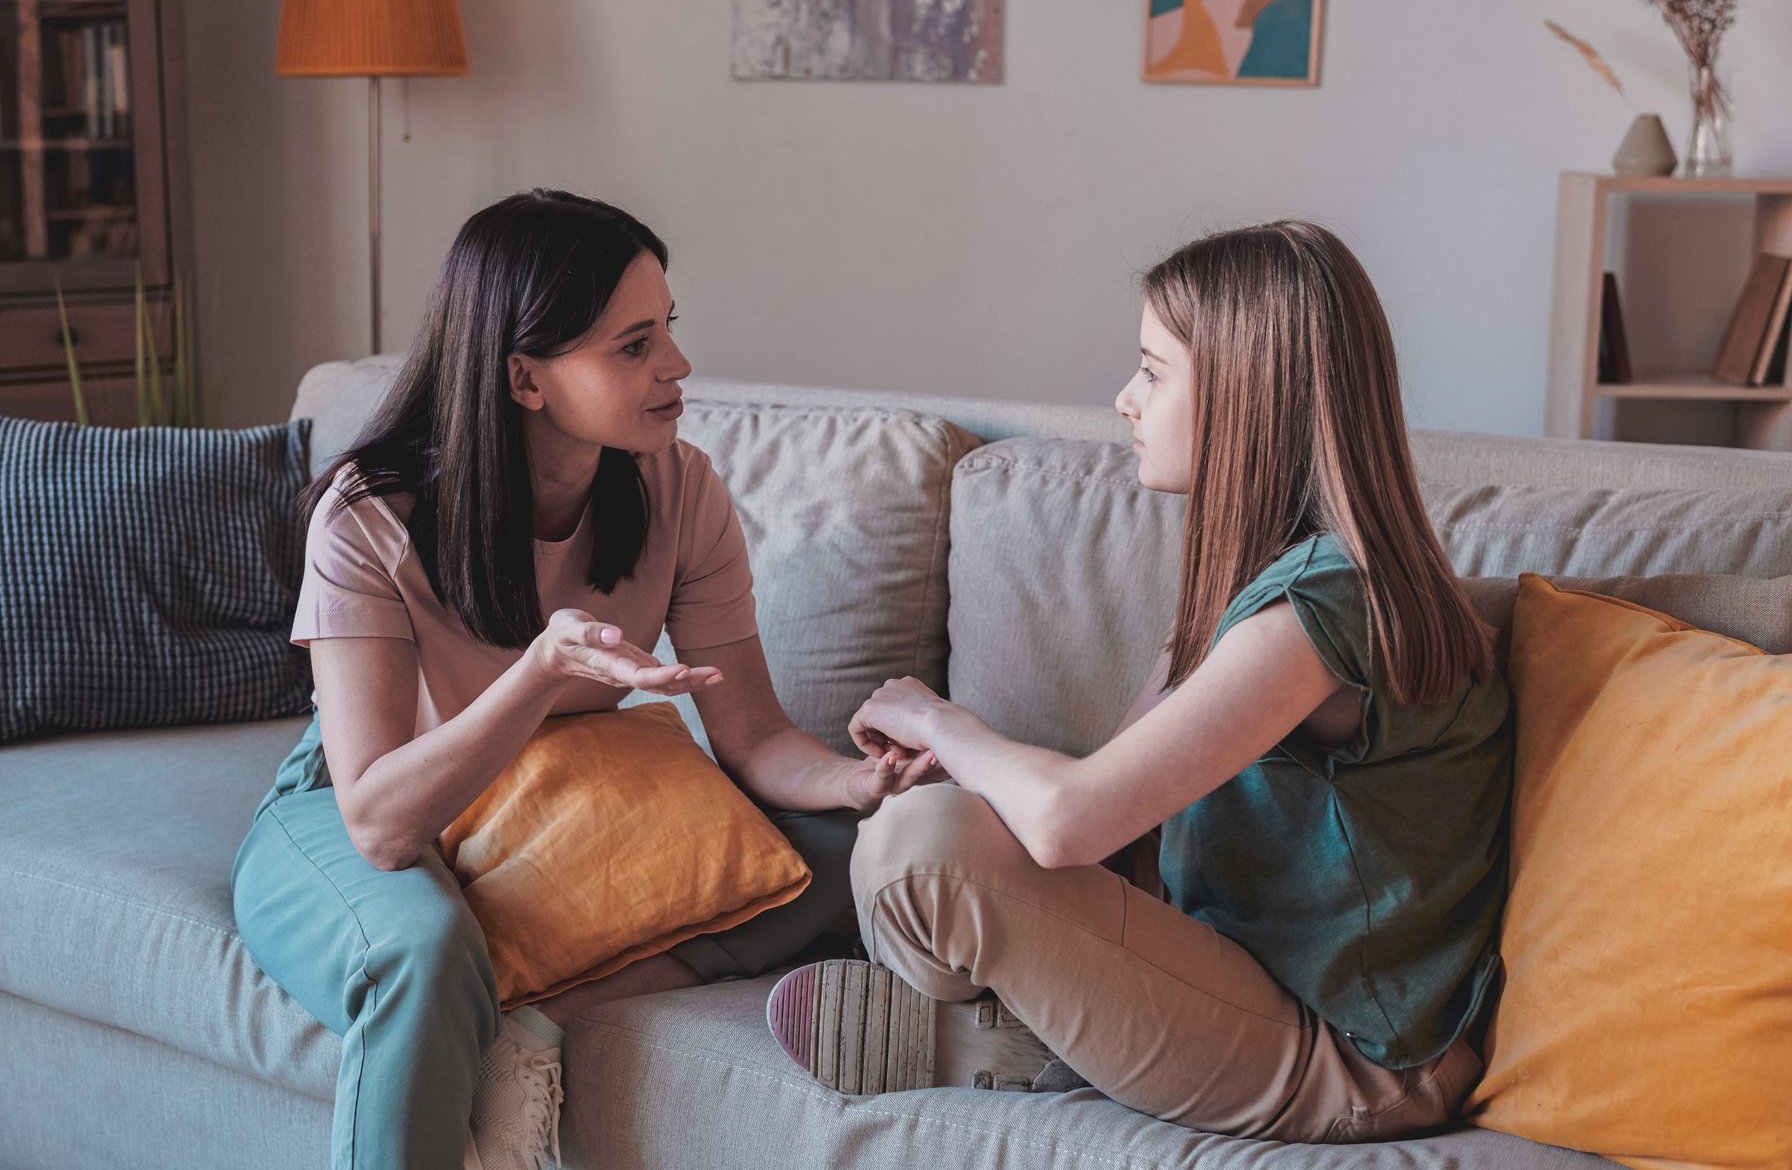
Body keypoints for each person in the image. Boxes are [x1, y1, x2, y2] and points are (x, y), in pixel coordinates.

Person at [231, 189, 937, 1170]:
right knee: (421, 955)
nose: (677, 367)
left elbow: (753, 738)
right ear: (525, 378)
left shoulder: (677, 487)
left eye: (669, 331)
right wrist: (537, 671)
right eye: (633, 346)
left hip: (560, 795)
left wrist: (861, 784)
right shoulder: (371, 515)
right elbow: (380, 824)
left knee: (856, 849)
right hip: (366, 800)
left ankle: (542, 1019)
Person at [766, 220, 1511, 1144]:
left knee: (927, 849)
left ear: (1249, 398)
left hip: (1356, 1063)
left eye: (1154, 371)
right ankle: (1032, 1047)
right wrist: (980, 779)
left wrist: (942, 721)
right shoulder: (1258, 589)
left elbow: (1074, 818)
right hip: (1228, 981)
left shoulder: (1321, 611)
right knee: (919, 835)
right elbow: (1106, 818)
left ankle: (1025, 1049)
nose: (1124, 399)